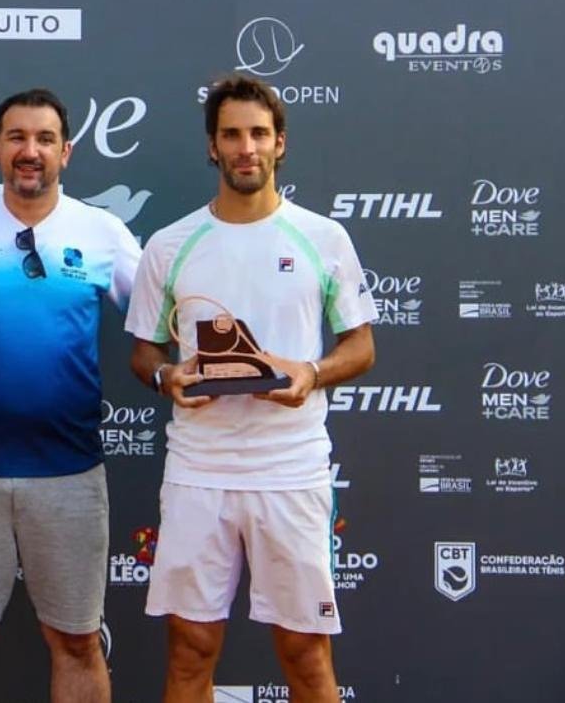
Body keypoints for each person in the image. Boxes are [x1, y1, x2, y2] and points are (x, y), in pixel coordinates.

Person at [125, 75, 377, 703]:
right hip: (199, 469)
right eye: (232, 135)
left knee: (305, 652)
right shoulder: (169, 245)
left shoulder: (324, 238)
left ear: (280, 143)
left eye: (258, 134)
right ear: (212, 147)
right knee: (190, 650)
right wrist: (167, 377)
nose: (246, 148)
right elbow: (144, 352)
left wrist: (311, 373)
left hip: (290, 469)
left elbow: (361, 347)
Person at [0, 88, 142, 703]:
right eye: (16, 138)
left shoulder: (103, 233)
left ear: (65, 152)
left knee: (77, 643)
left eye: (44, 139)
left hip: (69, 471)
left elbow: (161, 319)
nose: (30, 151)